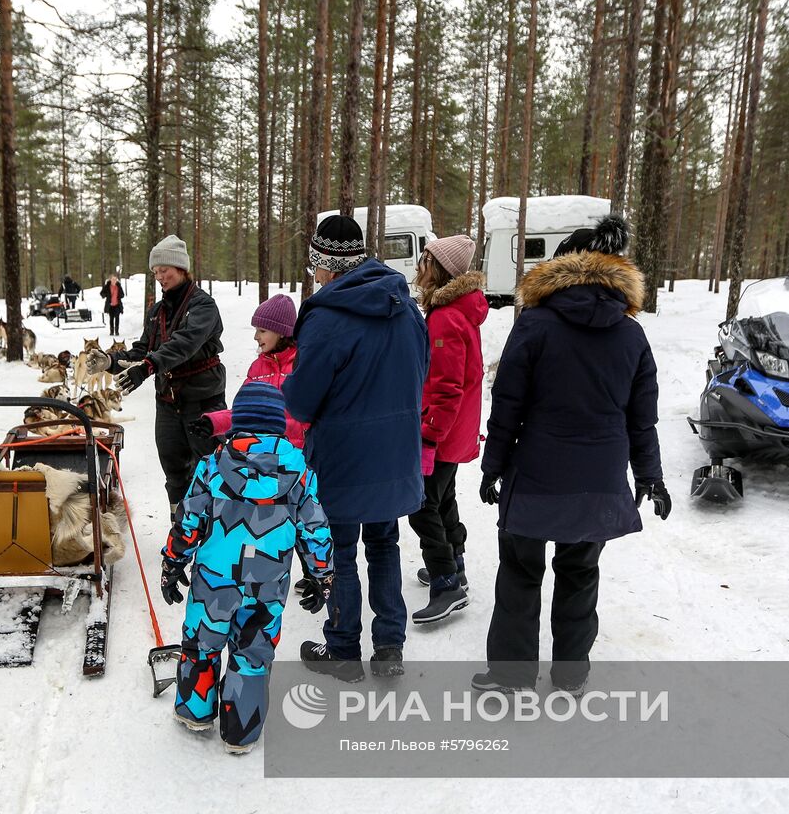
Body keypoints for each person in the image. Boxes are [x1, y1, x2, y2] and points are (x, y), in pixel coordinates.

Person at [474, 215, 670, 696]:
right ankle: (572, 674)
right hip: (599, 479)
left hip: (536, 472)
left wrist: (493, 465)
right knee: (580, 572)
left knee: (520, 573)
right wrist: (650, 476)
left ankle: (512, 676)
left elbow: (508, 404)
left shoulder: (535, 325)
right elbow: (642, 419)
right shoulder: (631, 335)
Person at [283, 214, 428, 682]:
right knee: (384, 543)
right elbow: (420, 372)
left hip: (342, 456)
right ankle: (389, 646)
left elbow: (303, 401)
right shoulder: (405, 307)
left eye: (317, 267)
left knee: (341, 550)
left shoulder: (326, 317)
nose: (316, 276)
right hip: (394, 451)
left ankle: (343, 647)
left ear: (325, 264)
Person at [161, 381, 334, 754]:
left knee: (202, 642)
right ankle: (240, 730)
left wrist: (173, 561)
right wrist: (322, 574)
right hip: (267, 585)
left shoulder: (212, 467)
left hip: (213, 580)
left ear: (236, 423)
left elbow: (189, 520)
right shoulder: (300, 474)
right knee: (253, 652)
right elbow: (316, 529)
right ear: (278, 425)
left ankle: (195, 709)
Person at [108, 234, 227, 510]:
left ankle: (213, 533)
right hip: (168, 403)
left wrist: (148, 367)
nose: (160, 277)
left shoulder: (203, 306)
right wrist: (110, 361)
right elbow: (140, 350)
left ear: (181, 269)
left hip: (203, 400)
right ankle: (180, 528)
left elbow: (183, 344)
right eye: (156, 272)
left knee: (210, 469)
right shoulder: (157, 311)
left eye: (165, 270)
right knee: (174, 472)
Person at [407, 234, 488, 625]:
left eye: (425, 260)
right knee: (443, 499)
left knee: (422, 507)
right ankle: (454, 565)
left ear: (438, 269)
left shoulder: (445, 317)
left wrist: (428, 433)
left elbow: (446, 386)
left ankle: (445, 583)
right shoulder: (458, 311)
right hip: (455, 430)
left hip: (440, 432)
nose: (419, 268)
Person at [194, 294, 307, 449]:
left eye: (262, 330)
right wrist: (213, 422)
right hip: (263, 457)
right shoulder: (258, 368)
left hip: (296, 461)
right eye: (256, 330)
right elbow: (245, 411)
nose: (256, 336)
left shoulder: (302, 365)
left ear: (281, 332)